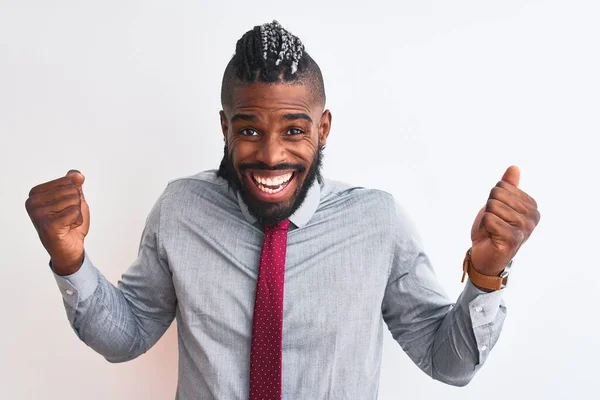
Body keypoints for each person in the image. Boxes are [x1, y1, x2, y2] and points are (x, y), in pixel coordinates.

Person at [25, 21, 540, 400]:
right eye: (249, 129)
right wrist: (70, 260)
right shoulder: (180, 211)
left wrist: (488, 274)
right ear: (225, 129)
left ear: (324, 128)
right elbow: (128, 335)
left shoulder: (377, 223)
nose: (272, 155)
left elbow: (447, 363)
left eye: (294, 129)